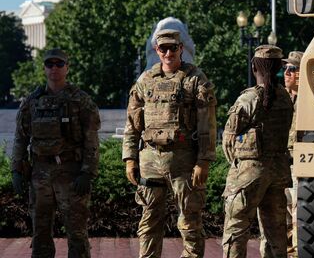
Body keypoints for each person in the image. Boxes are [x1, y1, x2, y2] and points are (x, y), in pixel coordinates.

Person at [123, 29, 216, 258]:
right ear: (156, 50)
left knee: (190, 221)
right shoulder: (146, 80)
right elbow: (132, 123)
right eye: (163, 48)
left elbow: (207, 124)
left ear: (180, 48)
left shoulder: (195, 79)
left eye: (172, 48)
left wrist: (203, 161)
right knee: (149, 221)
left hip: (183, 161)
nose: (168, 53)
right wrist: (130, 158)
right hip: (150, 160)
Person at [11, 48, 101, 258]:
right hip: (40, 174)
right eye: (49, 64)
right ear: (44, 68)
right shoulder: (32, 102)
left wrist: (87, 172)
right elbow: (20, 138)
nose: (54, 68)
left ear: (67, 68)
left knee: (77, 233)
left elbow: (91, 139)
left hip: (70, 174)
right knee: (40, 233)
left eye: (59, 64)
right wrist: (16, 170)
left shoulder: (80, 100)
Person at [222, 45, 294, 258]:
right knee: (276, 231)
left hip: (249, 171)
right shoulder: (285, 97)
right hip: (278, 171)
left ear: (254, 67)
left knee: (236, 226)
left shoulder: (249, 98)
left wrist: (237, 163)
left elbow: (228, 140)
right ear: (279, 68)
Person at [281, 50, 303, 254]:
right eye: (285, 68)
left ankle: (296, 252)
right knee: (283, 208)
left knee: (298, 209)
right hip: (281, 161)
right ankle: (286, 250)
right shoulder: (281, 98)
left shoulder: (310, 101)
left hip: (300, 163)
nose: (286, 73)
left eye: (292, 68)